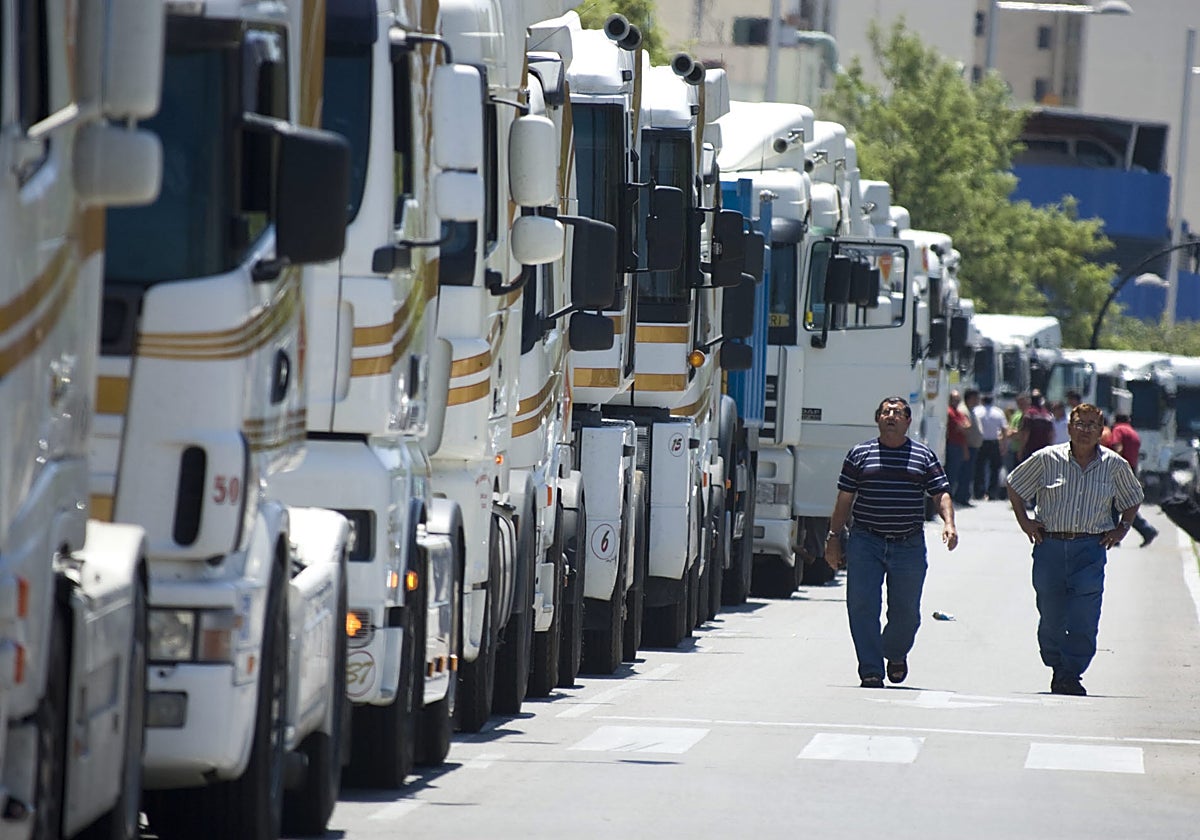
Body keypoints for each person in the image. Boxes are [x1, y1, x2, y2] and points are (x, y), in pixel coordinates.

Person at [1004, 403, 1145, 696]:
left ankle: (1071, 672)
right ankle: (1057, 665)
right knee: (1051, 616)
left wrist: (1122, 528)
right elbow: (1015, 485)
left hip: (1090, 549)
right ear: (1069, 428)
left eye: (1092, 425)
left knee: (1084, 616)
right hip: (1050, 547)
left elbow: (1133, 497)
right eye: (1080, 424)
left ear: (1101, 431)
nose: (1085, 430)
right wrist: (1025, 522)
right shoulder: (1047, 458)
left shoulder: (1114, 464)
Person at [825, 396, 959, 689]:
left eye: (897, 413)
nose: (891, 416)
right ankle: (871, 669)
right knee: (862, 606)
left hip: (908, 544)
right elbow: (844, 499)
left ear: (908, 421)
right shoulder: (859, 454)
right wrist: (833, 537)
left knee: (906, 613)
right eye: (886, 412)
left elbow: (940, 493)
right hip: (866, 541)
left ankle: (895, 652)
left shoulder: (923, 456)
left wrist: (949, 523)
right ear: (877, 419)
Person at [1107, 413, 1159, 547]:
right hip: (1132, 470)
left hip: (1120, 470)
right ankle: (1147, 530)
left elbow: (1117, 446)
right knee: (1125, 505)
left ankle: (1115, 537)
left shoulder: (1118, 429)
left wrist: (1114, 465)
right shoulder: (1133, 433)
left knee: (1113, 504)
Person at [973, 394, 1007, 500]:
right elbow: (1004, 429)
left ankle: (979, 492)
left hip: (981, 442)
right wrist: (1004, 444)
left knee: (979, 468)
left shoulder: (977, 411)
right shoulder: (998, 412)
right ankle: (992, 492)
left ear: (982, 400)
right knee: (995, 469)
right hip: (994, 442)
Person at [944, 389, 971, 505]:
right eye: (954, 399)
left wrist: (964, 427)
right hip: (952, 446)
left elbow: (967, 426)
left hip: (960, 446)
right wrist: (964, 426)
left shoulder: (958, 413)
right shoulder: (949, 412)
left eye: (958, 399)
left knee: (956, 474)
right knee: (950, 473)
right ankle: (947, 497)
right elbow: (961, 427)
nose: (956, 401)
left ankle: (951, 496)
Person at [1018, 389, 1055, 462]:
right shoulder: (1047, 415)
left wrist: (1021, 449)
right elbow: (1051, 434)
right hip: (1044, 449)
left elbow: (1026, 433)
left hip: (1031, 449)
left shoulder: (1029, 414)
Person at [962, 389, 984, 506]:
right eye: (976, 398)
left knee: (970, 473)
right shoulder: (964, 411)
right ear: (970, 398)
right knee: (965, 473)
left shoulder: (972, 411)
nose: (978, 400)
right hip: (968, 447)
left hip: (973, 447)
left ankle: (965, 495)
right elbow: (964, 433)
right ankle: (962, 496)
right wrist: (965, 448)